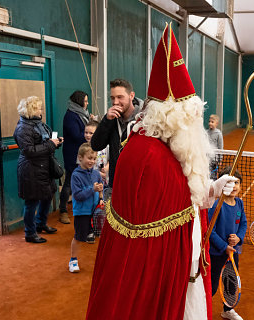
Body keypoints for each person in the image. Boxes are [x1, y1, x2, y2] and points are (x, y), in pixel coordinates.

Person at [86, 23, 237, 320]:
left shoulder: (169, 146)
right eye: (190, 118)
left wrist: (213, 188)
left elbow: (183, 195)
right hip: (159, 274)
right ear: (172, 119)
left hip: (181, 267)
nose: (195, 125)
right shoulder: (148, 154)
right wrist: (205, 194)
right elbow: (169, 212)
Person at [13, 96, 62, 243]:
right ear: (31, 110)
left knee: (47, 196)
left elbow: (45, 143)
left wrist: (56, 142)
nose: (41, 110)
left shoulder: (40, 124)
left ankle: (41, 224)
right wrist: (50, 145)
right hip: (31, 170)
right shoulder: (23, 128)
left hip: (44, 167)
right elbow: (29, 150)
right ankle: (30, 233)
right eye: (39, 108)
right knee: (31, 202)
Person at [90, 78, 143, 195]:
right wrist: (106, 121)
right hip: (115, 184)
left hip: (138, 186)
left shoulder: (143, 121)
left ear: (131, 95)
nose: (115, 102)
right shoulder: (111, 120)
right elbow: (96, 145)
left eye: (120, 97)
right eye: (112, 98)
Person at [208, 166, 247, 320]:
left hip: (233, 253)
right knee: (211, 285)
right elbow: (210, 231)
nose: (234, 187)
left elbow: (243, 223)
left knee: (230, 282)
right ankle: (203, 310)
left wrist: (238, 238)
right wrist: (224, 247)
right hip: (216, 253)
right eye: (229, 183)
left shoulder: (240, 203)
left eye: (236, 182)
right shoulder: (216, 205)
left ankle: (227, 310)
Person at [68, 143, 103, 273]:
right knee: (79, 237)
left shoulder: (96, 174)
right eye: (89, 158)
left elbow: (100, 190)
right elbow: (77, 196)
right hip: (82, 212)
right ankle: (73, 260)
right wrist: (92, 189)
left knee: (96, 237)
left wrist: (101, 199)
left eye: (94, 158)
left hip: (95, 212)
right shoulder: (75, 175)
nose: (92, 161)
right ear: (80, 157)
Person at [59, 90, 91, 224]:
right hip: (73, 154)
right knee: (69, 182)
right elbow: (76, 135)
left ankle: (84, 208)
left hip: (82, 152)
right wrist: (89, 134)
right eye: (85, 101)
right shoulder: (70, 116)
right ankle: (62, 211)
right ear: (79, 102)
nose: (87, 103)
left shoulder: (82, 114)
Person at [84, 120, 109, 188]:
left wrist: (106, 167)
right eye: (86, 132)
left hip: (105, 182)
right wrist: (99, 174)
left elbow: (111, 159)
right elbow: (83, 168)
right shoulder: (83, 148)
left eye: (91, 133)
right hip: (91, 184)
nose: (88, 135)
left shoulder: (106, 146)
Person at [207, 114, 224, 179]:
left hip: (214, 160)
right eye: (209, 121)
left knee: (213, 177)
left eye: (212, 122)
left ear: (216, 123)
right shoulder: (206, 132)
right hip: (207, 159)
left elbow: (221, 147)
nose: (210, 123)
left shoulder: (218, 134)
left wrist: (220, 160)